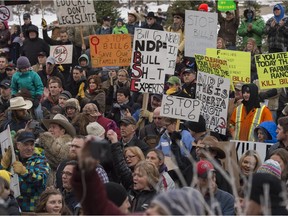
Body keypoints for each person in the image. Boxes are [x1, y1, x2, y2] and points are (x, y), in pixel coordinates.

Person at [1, 131, 50, 212]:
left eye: (32, 144)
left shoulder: (41, 160)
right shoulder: (11, 157)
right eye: (26, 144)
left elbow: (41, 180)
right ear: (18, 145)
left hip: (31, 209)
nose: (30, 148)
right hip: (10, 207)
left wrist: (25, 172)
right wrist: (3, 166)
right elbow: (1, 182)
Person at [40, 114, 76, 186]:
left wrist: (47, 139)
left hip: (61, 183)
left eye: (54, 127)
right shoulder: (44, 142)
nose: (50, 130)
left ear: (62, 131)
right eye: (49, 127)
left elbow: (59, 160)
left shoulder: (69, 144)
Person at [11, 56, 44, 120]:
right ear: (19, 68)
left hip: (33, 98)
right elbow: (13, 88)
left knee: (38, 112)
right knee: (10, 112)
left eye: (27, 67)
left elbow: (39, 86)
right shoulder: (15, 76)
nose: (26, 69)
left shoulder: (34, 74)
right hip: (20, 99)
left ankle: (41, 124)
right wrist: (13, 95)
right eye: (23, 68)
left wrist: (37, 97)